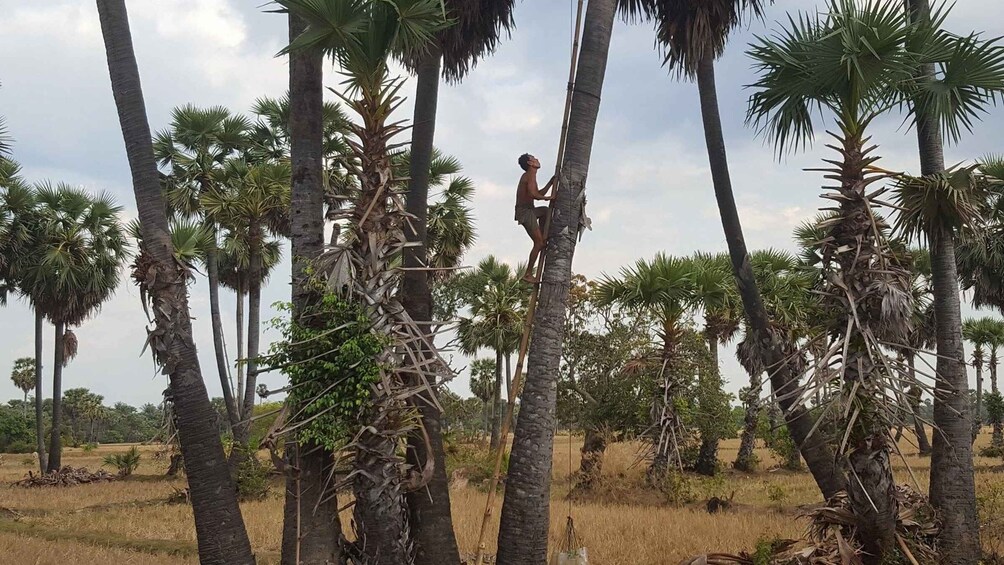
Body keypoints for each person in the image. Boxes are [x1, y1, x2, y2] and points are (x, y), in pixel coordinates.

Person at [514, 153, 557, 283]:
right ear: (530, 163)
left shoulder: (531, 176)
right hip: (525, 213)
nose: (537, 159)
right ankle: (528, 274)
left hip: (530, 210)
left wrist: (550, 184)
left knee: (546, 211)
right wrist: (549, 198)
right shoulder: (528, 175)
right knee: (538, 243)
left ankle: (544, 235)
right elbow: (534, 195)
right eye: (534, 158)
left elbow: (538, 194)